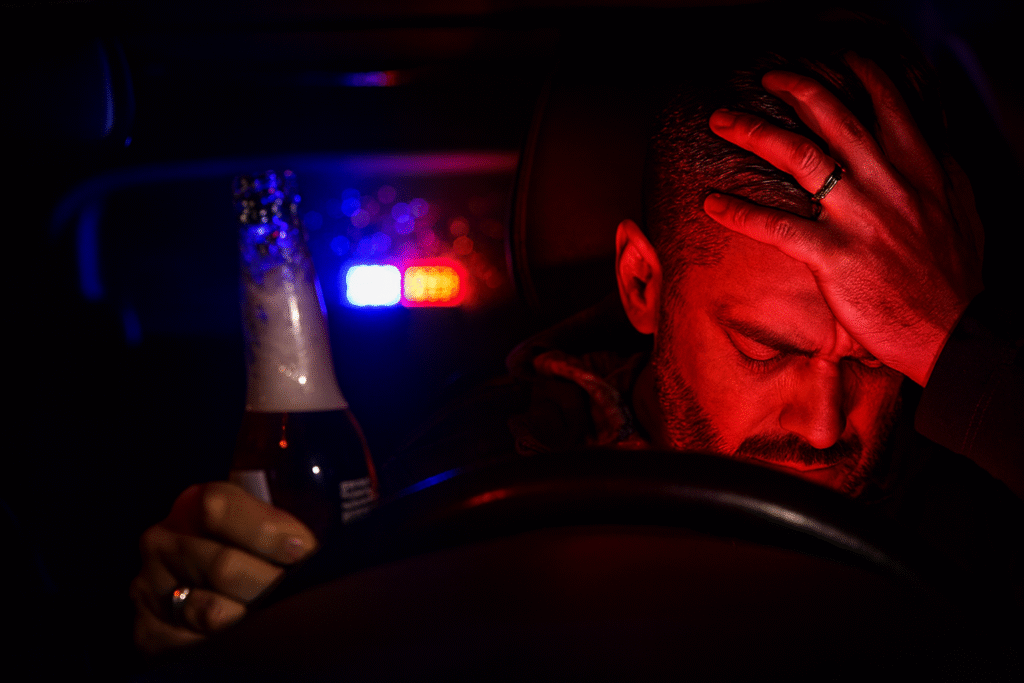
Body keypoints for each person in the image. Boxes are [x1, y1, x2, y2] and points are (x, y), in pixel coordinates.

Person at [130, 12, 1022, 654]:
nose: (828, 424)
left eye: (879, 355)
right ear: (643, 283)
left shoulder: (988, 491)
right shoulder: (476, 474)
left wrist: (962, 356)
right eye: (769, 348)